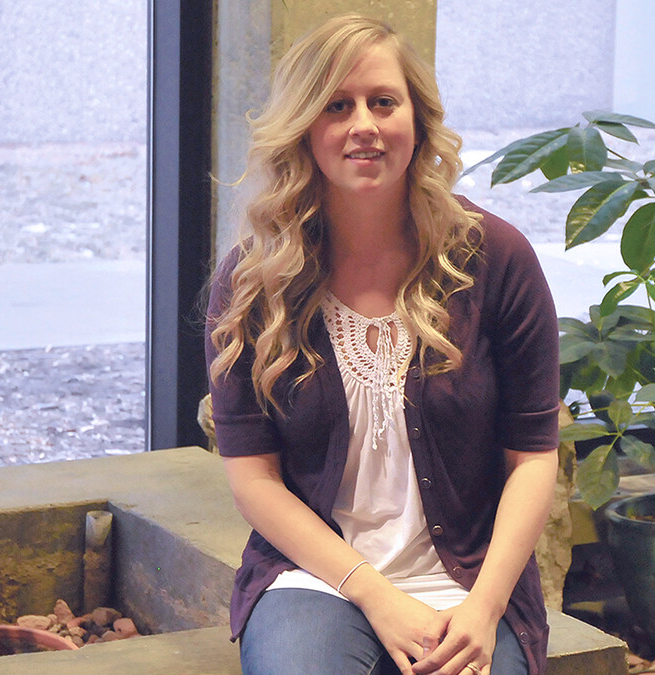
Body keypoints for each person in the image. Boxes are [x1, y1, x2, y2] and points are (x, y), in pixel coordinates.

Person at [204, 13, 561, 675]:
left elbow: (534, 458)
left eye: (383, 102)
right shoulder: (254, 279)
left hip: (469, 578)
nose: (363, 123)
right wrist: (375, 592)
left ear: (417, 120)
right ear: (306, 128)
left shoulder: (497, 258)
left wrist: (483, 609)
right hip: (319, 575)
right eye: (336, 106)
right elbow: (254, 481)